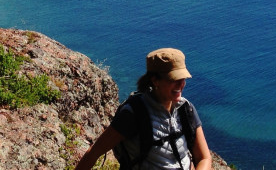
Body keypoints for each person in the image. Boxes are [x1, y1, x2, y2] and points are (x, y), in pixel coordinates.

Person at [75, 48, 213, 170]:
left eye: (183, 78)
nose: (181, 84)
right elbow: (94, 153)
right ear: (155, 80)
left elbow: (204, 158)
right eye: (173, 79)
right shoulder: (134, 113)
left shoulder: (185, 109)